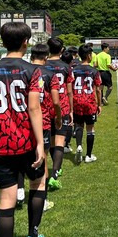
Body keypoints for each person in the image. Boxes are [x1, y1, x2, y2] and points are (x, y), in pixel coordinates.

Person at [0, 22, 48, 237]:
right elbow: (34, 108)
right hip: (26, 141)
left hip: (2, 144)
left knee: (6, 199)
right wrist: (40, 143)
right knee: (38, 183)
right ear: (25, 42)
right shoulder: (32, 71)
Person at [30, 44, 62, 211]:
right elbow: (56, 101)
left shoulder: (24, 71)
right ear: (46, 57)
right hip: (42, 121)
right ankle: (42, 199)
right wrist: (58, 117)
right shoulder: (50, 74)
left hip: (24, 122)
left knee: (24, 157)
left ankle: (20, 192)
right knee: (43, 158)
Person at [43, 38, 74, 190]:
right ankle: (55, 174)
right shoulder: (66, 67)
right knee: (60, 141)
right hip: (62, 106)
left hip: (45, 107)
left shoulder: (43, 65)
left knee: (48, 143)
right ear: (62, 50)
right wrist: (71, 110)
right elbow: (69, 91)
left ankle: (49, 172)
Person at [72, 44, 102, 163]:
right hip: (89, 102)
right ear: (89, 56)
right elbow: (98, 89)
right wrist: (99, 104)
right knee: (90, 128)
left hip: (76, 101)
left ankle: (79, 146)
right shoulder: (94, 71)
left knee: (79, 125)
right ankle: (88, 155)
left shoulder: (74, 70)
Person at [60, 50, 76, 154]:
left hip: (52, 98)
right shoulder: (68, 70)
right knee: (69, 123)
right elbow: (70, 90)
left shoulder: (51, 67)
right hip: (64, 98)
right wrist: (71, 108)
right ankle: (65, 144)